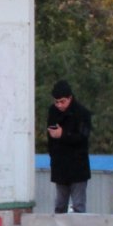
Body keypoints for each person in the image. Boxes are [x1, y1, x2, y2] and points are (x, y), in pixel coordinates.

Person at [44, 80, 92, 213]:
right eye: (56, 102)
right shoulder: (53, 111)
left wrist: (63, 134)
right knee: (60, 205)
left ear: (70, 98)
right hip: (60, 166)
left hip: (77, 167)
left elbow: (83, 137)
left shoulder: (82, 113)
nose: (59, 105)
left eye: (62, 101)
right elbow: (50, 138)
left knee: (78, 206)